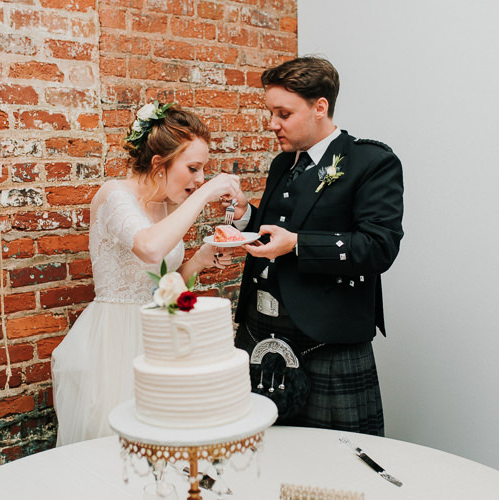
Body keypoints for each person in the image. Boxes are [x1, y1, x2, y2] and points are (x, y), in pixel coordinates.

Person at [227, 56, 404, 435]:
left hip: (326, 343)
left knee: (335, 472)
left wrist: (297, 245)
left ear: (320, 106)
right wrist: (246, 218)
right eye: (270, 112)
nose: (272, 123)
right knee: (260, 457)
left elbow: (378, 247)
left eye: (283, 113)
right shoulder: (282, 163)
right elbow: (280, 231)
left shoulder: (371, 162)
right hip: (261, 333)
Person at [51, 102, 241, 446]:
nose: (199, 179)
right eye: (194, 168)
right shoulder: (115, 196)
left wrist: (199, 259)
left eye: (204, 171)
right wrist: (207, 193)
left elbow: (165, 285)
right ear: (158, 164)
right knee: (119, 445)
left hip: (159, 334)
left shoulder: (166, 205)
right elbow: (149, 248)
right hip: (116, 341)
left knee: (168, 443)